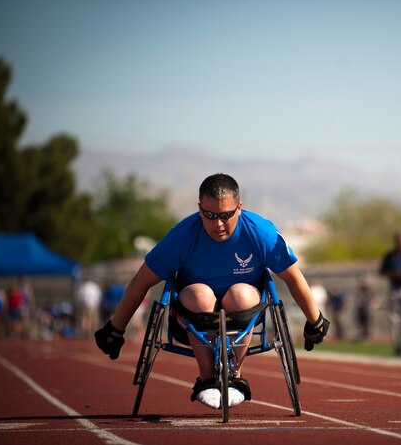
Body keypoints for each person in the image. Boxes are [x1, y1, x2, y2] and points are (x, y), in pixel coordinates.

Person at [95, 173, 329, 411]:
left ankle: (234, 378)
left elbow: (293, 276)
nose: (218, 224)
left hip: (242, 314)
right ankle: (207, 378)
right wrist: (116, 327)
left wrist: (315, 321)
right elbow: (141, 281)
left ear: (239, 208)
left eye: (226, 215)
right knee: (200, 294)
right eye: (210, 215)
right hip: (192, 318)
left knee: (241, 294)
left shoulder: (260, 232)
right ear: (199, 209)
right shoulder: (182, 236)